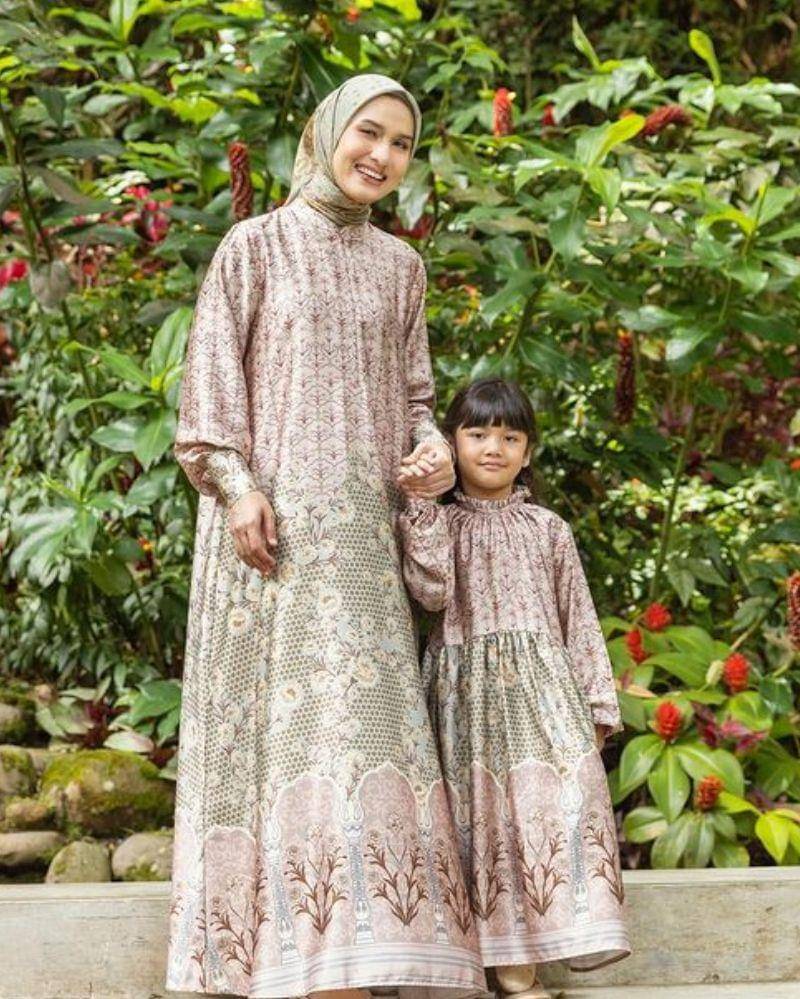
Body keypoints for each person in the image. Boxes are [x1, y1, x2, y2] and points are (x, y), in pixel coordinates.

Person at [166, 74, 487, 999]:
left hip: (364, 547)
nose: (381, 156)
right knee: (292, 740)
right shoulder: (255, 246)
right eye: (368, 133)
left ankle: (357, 960)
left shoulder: (401, 268)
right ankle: (297, 966)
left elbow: (417, 401)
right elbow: (209, 390)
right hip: (270, 543)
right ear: (327, 132)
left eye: (401, 144)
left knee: (366, 737)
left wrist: (433, 453)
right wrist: (237, 489)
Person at [397, 378, 631, 999]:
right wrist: (422, 508)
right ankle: (488, 967)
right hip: (462, 702)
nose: (493, 448)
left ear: (528, 452)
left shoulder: (548, 528)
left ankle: (523, 967)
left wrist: (596, 704)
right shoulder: (439, 523)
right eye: (477, 434)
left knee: (545, 814)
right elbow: (429, 592)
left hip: (541, 700)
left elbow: (578, 617)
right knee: (479, 825)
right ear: (451, 444)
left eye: (509, 437)